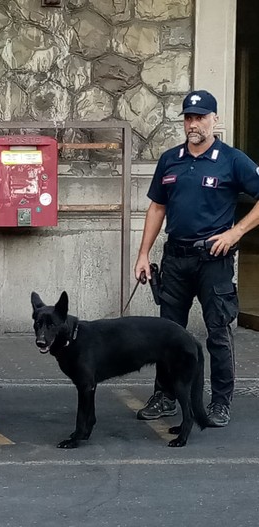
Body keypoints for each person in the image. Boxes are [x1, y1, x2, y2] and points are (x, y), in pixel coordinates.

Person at [134, 89, 259, 427]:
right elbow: (157, 207)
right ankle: (166, 395)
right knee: (168, 334)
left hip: (213, 262)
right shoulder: (170, 159)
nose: (194, 124)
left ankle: (220, 401)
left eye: (201, 117)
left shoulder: (232, 160)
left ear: (214, 120)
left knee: (218, 332)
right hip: (175, 258)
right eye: (189, 117)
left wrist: (236, 233)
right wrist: (144, 254)